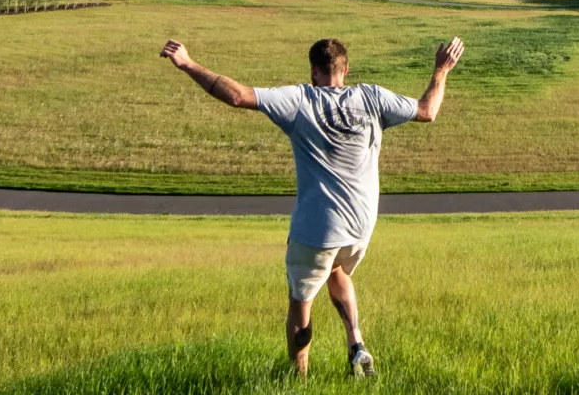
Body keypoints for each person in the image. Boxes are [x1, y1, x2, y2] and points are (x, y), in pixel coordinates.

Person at [161, 35, 464, 376]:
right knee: (335, 270)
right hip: (360, 227)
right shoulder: (372, 97)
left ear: (313, 71)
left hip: (317, 230)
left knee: (300, 303)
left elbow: (236, 95)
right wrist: (441, 70)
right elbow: (427, 111)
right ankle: (356, 343)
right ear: (345, 70)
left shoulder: (301, 100)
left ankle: (299, 381)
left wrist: (188, 64)